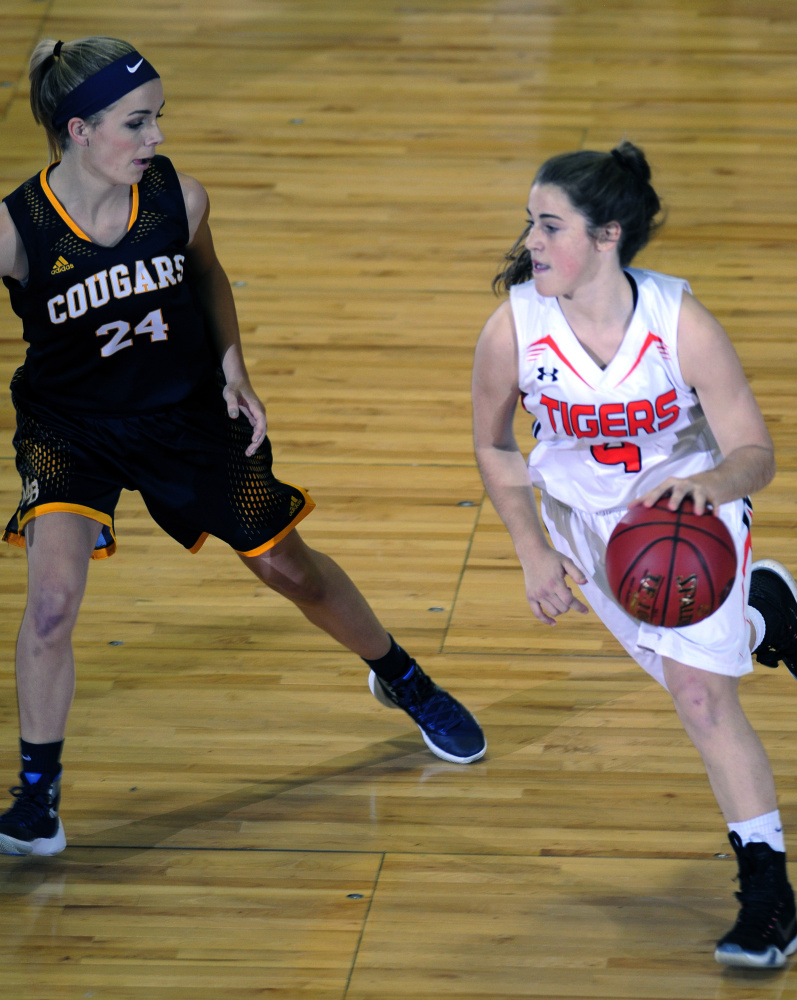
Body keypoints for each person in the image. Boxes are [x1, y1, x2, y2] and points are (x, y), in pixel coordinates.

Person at [0, 36, 486, 857]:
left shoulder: (176, 198)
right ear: (78, 130)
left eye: (158, 119)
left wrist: (236, 371)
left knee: (283, 565)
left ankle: (403, 676)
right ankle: (37, 796)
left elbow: (208, 278)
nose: (155, 137)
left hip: (186, 415)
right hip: (70, 428)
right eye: (136, 122)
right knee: (50, 604)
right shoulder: (17, 229)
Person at [471, 140, 797, 968]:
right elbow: (497, 449)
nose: (530, 242)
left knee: (702, 701)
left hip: (689, 518)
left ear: (607, 236)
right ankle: (763, 616)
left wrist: (713, 486)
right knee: (682, 669)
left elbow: (756, 451)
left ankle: (770, 902)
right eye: (529, 223)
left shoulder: (682, 324)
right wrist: (532, 550)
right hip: (589, 528)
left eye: (549, 225)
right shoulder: (513, 329)